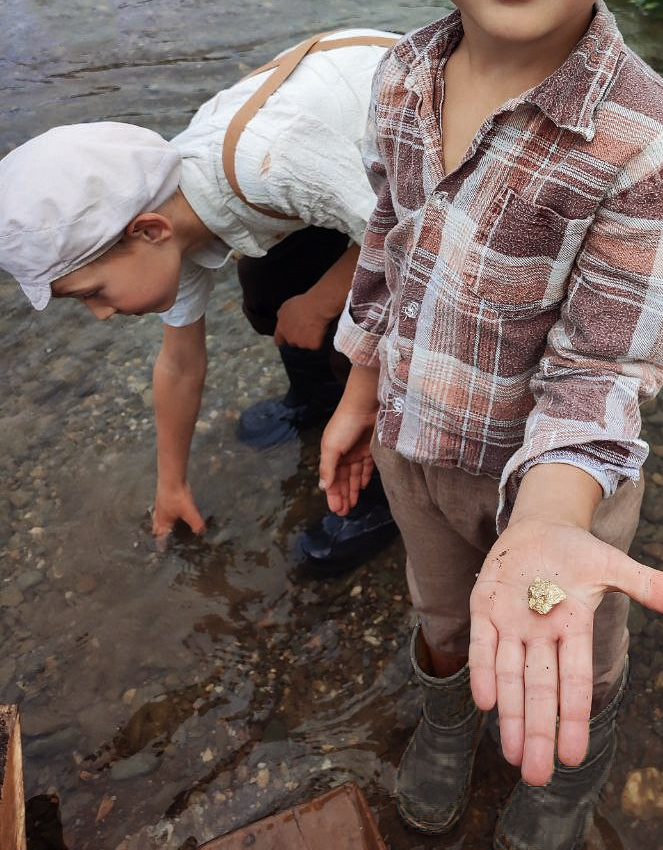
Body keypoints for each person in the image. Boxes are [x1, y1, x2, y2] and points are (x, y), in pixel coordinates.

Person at [318, 0, 663, 850]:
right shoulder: (397, 76)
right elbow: (387, 244)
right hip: (413, 443)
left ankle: (560, 781)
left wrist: (549, 522)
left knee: (564, 634)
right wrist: (357, 386)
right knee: (439, 612)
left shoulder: (645, 146)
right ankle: (444, 720)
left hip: (559, 486)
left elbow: (600, 373)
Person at [0, 29, 400, 576]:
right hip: (355, 188)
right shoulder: (172, 215)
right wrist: (172, 484)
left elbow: (410, 244)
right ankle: (315, 397)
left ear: (148, 230)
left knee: (363, 339)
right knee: (267, 287)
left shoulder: (276, 162)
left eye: (93, 293)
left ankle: (380, 500)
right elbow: (180, 364)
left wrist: (323, 303)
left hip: (420, 167)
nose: (100, 313)